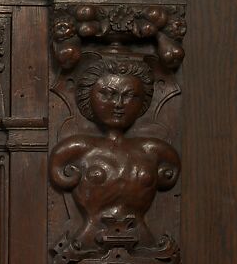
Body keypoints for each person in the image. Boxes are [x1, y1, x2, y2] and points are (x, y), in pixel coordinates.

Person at [49, 57, 180, 252]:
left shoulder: (157, 151)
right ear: (88, 96)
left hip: (145, 246)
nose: (119, 104)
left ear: (143, 100)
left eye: (130, 96)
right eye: (107, 94)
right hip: (84, 246)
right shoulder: (74, 150)